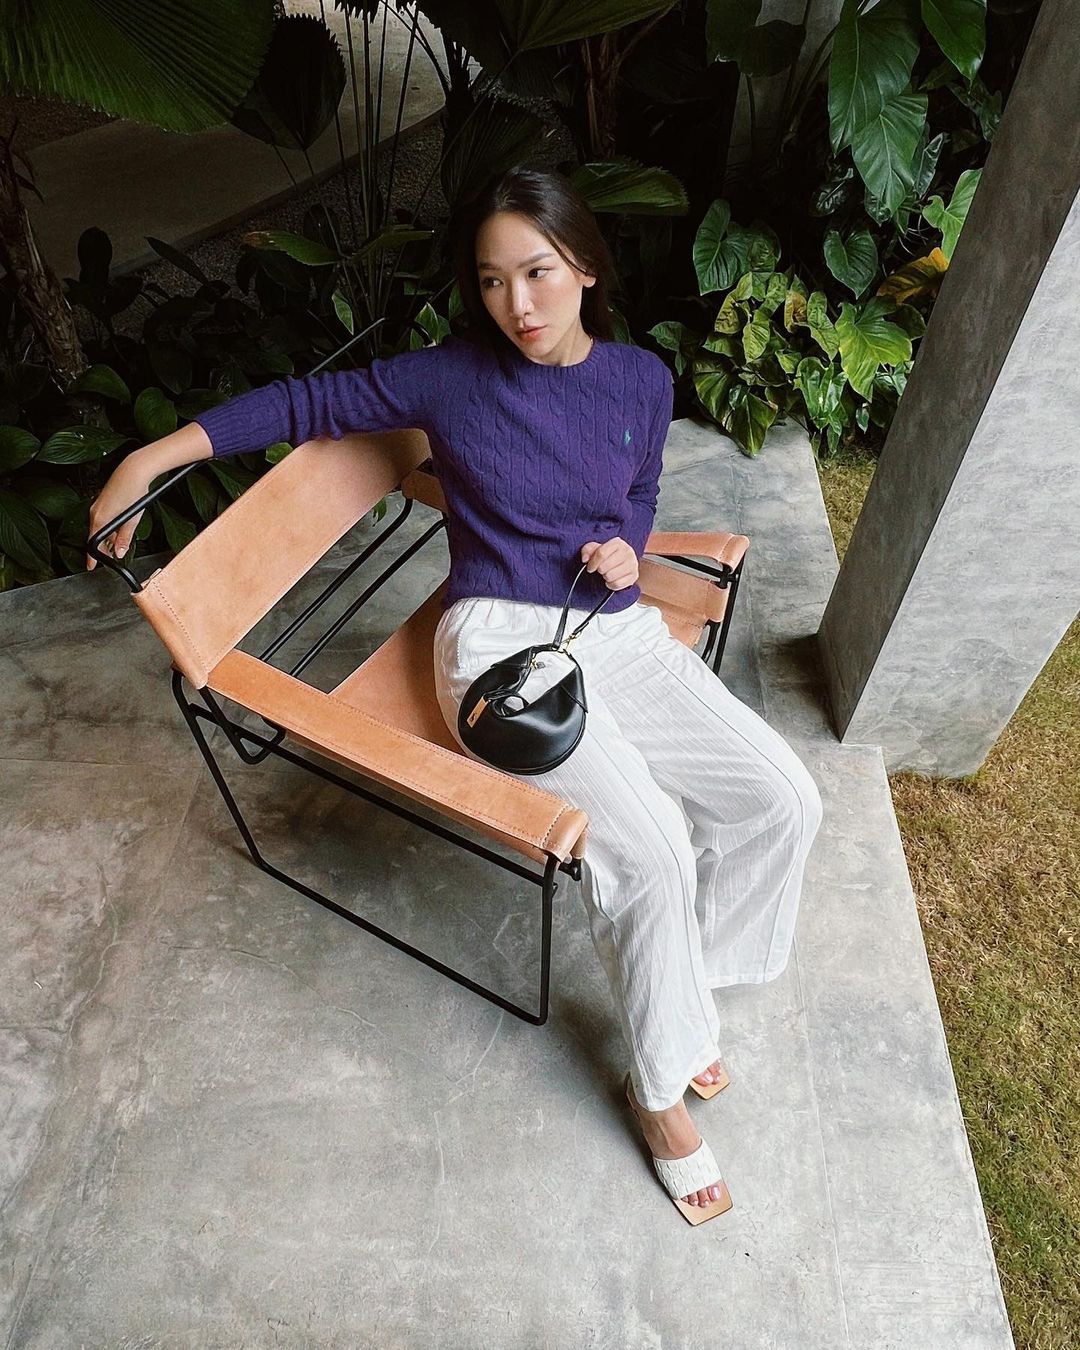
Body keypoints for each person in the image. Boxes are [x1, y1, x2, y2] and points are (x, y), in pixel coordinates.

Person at [87, 165, 823, 1225]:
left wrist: (626, 545)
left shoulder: (639, 379)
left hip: (611, 625)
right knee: (652, 846)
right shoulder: (453, 381)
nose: (516, 304)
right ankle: (658, 1089)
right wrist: (147, 457)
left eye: (537, 272)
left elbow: (638, 486)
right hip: (497, 649)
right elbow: (303, 402)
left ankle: (687, 993)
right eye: (490, 280)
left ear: (584, 265)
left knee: (782, 801)